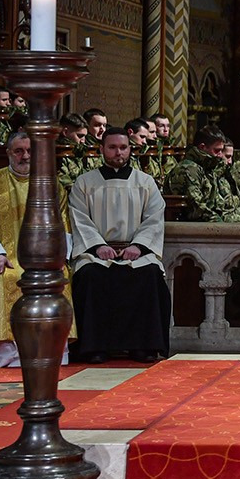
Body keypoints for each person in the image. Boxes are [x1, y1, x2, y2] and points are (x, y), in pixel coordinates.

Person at [0, 131, 74, 366]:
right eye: (18, 151)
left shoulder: (51, 185)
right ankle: (8, 352)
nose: (25, 156)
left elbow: (63, 225)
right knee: (2, 279)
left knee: (60, 278)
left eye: (30, 151)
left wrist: (56, 258)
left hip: (44, 259)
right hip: (5, 257)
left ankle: (51, 348)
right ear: (8, 153)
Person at [68, 128, 171, 363]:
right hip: (96, 252)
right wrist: (97, 246)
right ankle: (94, 348)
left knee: (150, 274)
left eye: (123, 148)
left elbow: (154, 218)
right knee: (89, 275)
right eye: (112, 147)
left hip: (136, 251)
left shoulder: (145, 182)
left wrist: (138, 247)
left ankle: (143, 346)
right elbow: (79, 218)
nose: (118, 153)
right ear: (101, 149)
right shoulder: (85, 183)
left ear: (130, 149)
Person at [164, 127, 240, 223]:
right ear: (202, 147)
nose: (220, 155)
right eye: (217, 150)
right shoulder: (188, 170)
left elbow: (223, 204)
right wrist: (227, 225)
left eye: (221, 150)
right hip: (194, 226)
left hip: (215, 222)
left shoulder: (210, 169)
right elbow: (198, 208)